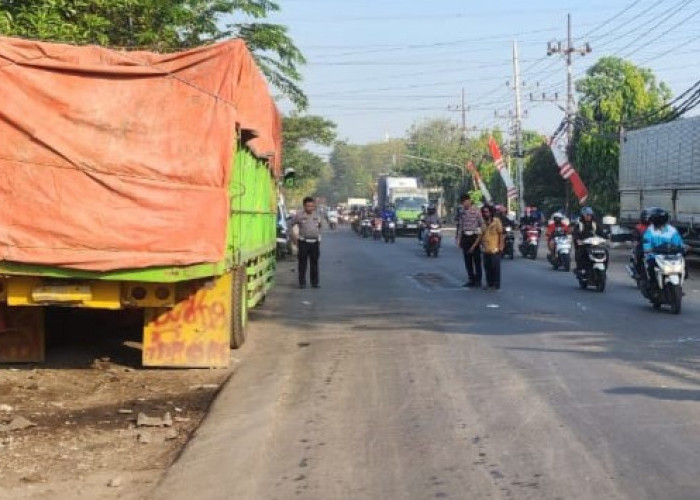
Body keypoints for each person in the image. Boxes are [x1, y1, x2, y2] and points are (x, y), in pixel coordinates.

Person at [642, 208, 684, 283]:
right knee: (650, 268)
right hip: (655, 256)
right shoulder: (649, 231)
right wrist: (648, 250)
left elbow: (679, 243)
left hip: (671, 256)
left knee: (683, 267)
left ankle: (679, 284)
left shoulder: (672, 230)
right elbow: (646, 244)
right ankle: (652, 285)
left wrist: (682, 248)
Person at [291, 197, 322, 289]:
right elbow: (291, 225)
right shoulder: (299, 215)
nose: (310, 208)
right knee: (302, 263)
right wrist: (294, 237)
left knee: (314, 263)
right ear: (304, 206)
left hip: (314, 243)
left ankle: (314, 282)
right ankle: (302, 283)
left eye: (312, 206)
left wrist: (319, 237)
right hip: (303, 242)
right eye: (308, 206)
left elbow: (320, 227)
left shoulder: (317, 215)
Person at [471, 205, 504, 290]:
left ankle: (496, 285)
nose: (486, 214)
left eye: (487, 212)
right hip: (486, 249)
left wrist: (501, 246)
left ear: (491, 212)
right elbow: (480, 236)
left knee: (495, 268)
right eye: (484, 212)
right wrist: (473, 246)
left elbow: (501, 234)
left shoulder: (496, 221)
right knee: (487, 267)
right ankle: (489, 284)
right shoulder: (483, 223)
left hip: (495, 249)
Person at [456, 194, 484, 287]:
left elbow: (481, 224)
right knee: (467, 260)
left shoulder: (476, 211)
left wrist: (481, 237)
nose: (464, 204)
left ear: (469, 200)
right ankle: (471, 279)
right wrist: (459, 239)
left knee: (477, 260)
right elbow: (460, 226)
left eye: (465, 202)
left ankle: (478, 280)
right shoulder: (462, 212)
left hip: (474, 236)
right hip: (465, 237)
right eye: (463, 202)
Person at [572, 206, 605, 272]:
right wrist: (578, 239)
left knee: (605, 251)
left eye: (590, 215)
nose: (588, 216)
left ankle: (604, 267)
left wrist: (606, 237)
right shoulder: (579, 224)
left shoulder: (594, 223)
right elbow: (575, 233)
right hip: (584, 243)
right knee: (580, 253)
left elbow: (600, 232)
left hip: (594, 243)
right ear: (583, 215)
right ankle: (580, 268)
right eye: (587, 215)